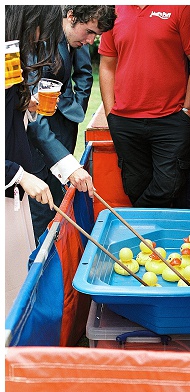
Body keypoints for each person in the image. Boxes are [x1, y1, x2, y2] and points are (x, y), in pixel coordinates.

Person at [98, 5, 190, 207]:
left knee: (170, 184)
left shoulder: (182, 9)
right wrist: (110, 113)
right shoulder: (113, 11)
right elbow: (106, 64)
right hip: (124, 121)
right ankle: (148, 237)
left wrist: (188, 111)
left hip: (171, 118)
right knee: (133, 185)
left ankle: (139, 225)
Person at [27, 6, 116, 243]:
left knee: (56, 194)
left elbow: (84, 74)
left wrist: (77, 105)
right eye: (88, 32)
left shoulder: (76, 38)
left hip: (64, 123)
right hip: (34, 136)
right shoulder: (39, 39)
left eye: (94, 36)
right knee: (40, 207)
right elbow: (35, 122)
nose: (89, 41)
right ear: (71, 16)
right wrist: (69, 165)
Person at [6, 5, 64, 315]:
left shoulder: (11, 55)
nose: (40, 40)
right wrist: (19, 175)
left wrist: (24, 102)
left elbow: (11, 108)